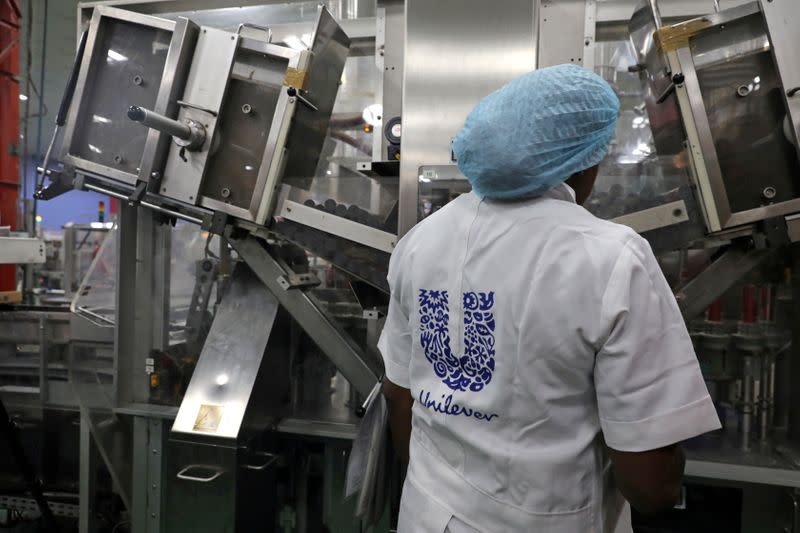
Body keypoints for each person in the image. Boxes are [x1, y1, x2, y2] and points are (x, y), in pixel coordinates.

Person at [378, 64, 721, 533]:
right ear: (582, 160)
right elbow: (649, 483)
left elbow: (400, 398)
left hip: (425, 515)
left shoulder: (418, 242)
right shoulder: (611, 256)